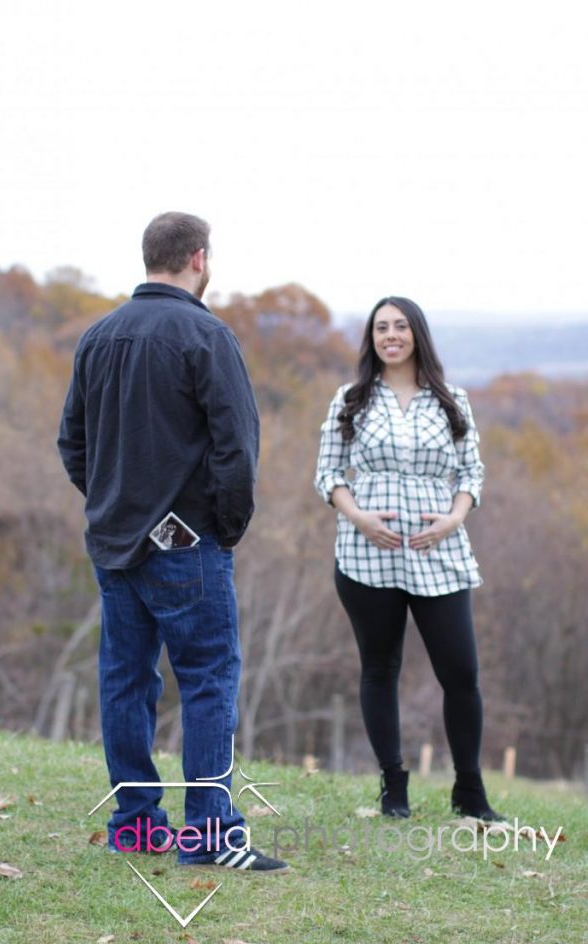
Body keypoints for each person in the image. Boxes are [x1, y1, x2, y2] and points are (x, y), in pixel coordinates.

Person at [58, 211, 288, 872]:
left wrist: (109, 505)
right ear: (197, 257)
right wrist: (223, 528)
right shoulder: (206, 334)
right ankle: (210, 834)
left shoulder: (97, 336)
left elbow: (71, 443)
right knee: (208, 680)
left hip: (114, 543)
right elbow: (236, 450)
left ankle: (135, 825)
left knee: (125, 681)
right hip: (185, 545)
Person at [314, 295, 504, 821]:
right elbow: (327, 474)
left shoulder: (451, 401)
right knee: (379, 668)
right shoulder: (350, 399)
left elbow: (472, 474)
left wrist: (454, 518)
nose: (390, 335)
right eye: (381, 328)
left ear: (416, 333)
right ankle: (393, 788)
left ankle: (470, 791)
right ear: (371, 338)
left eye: (400, 326)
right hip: (366, 554)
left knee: (461, 673)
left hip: (437, 550)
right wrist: (359, 518)